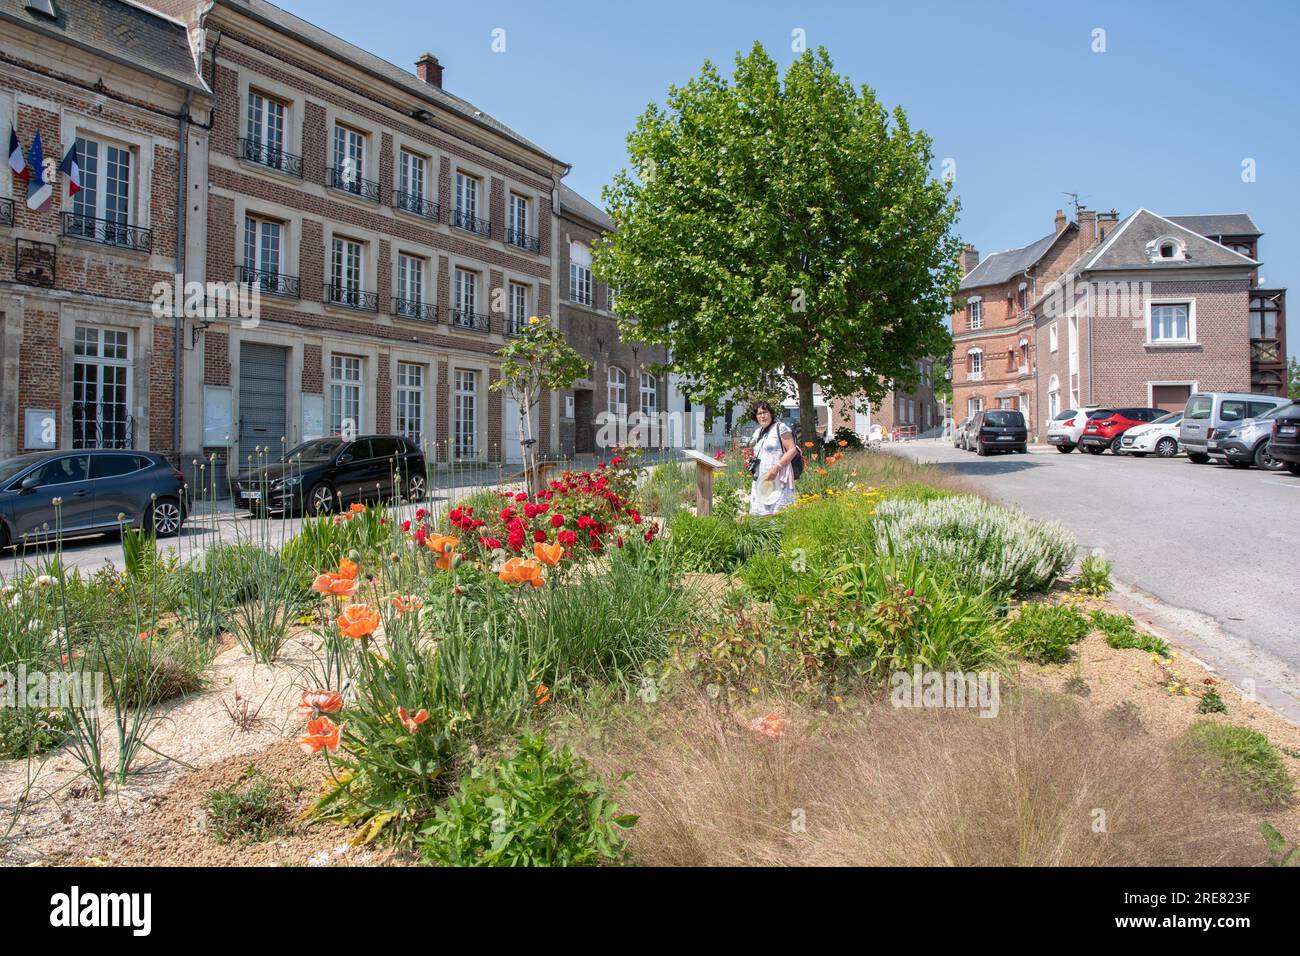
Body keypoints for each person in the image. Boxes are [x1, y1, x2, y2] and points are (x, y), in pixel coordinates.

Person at [748, 401, 797, 516]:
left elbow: (792, 450)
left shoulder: (781, 428)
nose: (762, 416)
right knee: (761, 515)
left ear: (771, 413)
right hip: (761, 478)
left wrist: (776, 467)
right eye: (759, 413)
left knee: (778, 514)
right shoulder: (758, 432)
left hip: (778, 477)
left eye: (765, 412)